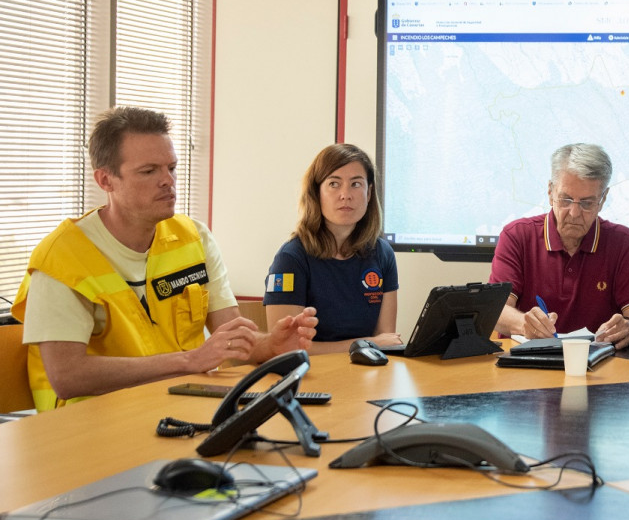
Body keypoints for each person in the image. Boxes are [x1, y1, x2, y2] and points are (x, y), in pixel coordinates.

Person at [12, 107, 318, 411]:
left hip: (175, 407)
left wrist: (269, 346)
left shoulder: (193, 237)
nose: (168, 181)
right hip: (85, 427)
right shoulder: (61, 258)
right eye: (149, 171)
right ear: (106, 180)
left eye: (171, 168)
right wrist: (189, 360)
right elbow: (68, 377)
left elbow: (233, 338)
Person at [490, 143, 629, 349]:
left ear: (602, 200)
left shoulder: (624, 243)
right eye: (566, 199)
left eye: (586, 203)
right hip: (524, 364)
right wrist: (525, 324)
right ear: (550, 192)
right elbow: (497, 311)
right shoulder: (517, 235)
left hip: (599, 368)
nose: (574, 213)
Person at [263, 144, 402, 354]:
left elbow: (386, 340)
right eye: (334, 184)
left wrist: (374, 345)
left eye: (356, 184)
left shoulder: (382, 253)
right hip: (310, 379)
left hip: (366, 377)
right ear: (316, 192)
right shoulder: (291, 258)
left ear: (369, 193)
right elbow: (285, 349)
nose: (345, 195)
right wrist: (367, 344)